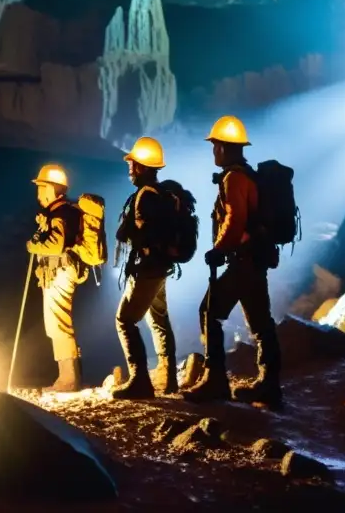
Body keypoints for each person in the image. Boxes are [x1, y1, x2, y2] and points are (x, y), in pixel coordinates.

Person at [182, 115, 283, 409]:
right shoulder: (246, 174)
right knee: (260, 321)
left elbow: (235, 218)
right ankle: (269, 384)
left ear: (224, 148)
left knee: (209, 310)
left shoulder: (234, 178)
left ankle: (215, 380)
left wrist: (219, 249)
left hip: (244, 259)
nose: (213, 151)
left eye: (215, 146)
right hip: (254, 259)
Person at [110, 136, 178, 400]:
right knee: (158, 318)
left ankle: (140, 380)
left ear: (142, 167)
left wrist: (132, 235)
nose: (129, 167)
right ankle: (168, 377)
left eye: (133, 163)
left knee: (125, 320)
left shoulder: (145, 198)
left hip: (147, 269)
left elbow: (145, 236)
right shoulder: (161, 195)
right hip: (161, 269)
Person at [26, 164, 86, 392]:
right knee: (57, 324)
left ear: (51, 189)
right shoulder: (64, 211)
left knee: (58, 323)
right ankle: (68, 376)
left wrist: (34, 245)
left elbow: (57, 244)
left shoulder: (59, 213)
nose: (38, 193)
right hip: (61, 272)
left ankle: (68, 379)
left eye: (41, 188)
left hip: (60, 273)